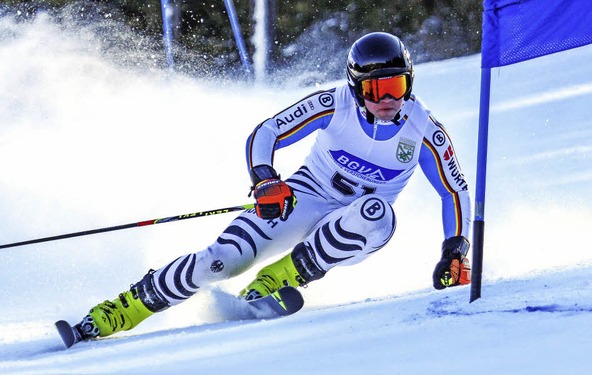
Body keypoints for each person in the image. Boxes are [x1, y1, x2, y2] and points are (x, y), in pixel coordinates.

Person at [67, 31, 472, 341]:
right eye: (375, 89)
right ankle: (118, 310)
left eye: (396, 87)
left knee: (375, 212)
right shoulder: (335, 104)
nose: (387, 100)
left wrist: (455, 250)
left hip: (359, 223)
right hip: (305, 196)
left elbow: (454, 191)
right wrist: (265, 179)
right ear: (356, 88)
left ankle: (278, 279)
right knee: (221, 259)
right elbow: (269, 130)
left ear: (409, 84)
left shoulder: (423, 130)